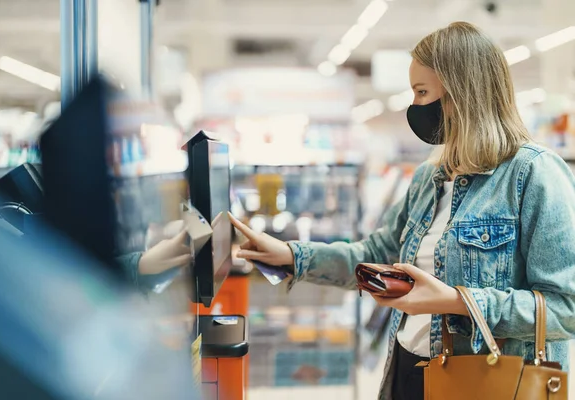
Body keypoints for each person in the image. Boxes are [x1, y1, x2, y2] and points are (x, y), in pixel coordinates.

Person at [229, 21, 575, 400]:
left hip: (485, 381)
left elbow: (565, 308)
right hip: (408, 371)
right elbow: (375, 256)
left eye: (422, 91)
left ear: (462, 92)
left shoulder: (534, 174)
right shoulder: (430, 177)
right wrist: (292, 256)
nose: (416, 106)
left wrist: (456, 302)